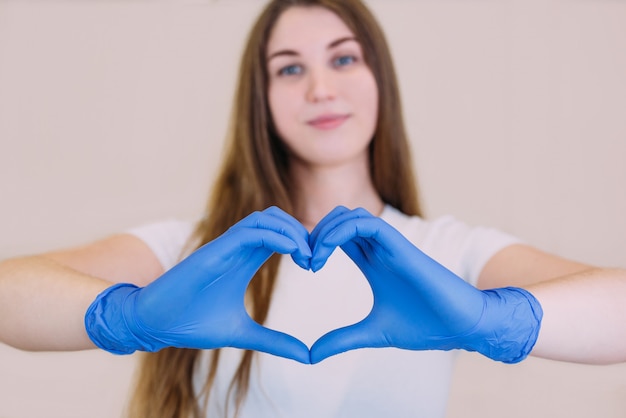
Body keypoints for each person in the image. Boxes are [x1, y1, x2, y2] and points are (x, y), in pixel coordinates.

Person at [0, 0, 625, 417]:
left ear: (380, 77)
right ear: (261, 100)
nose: (321, 87)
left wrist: (502, 321)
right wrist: (126, 318)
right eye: (289, 68)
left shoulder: (448, 252)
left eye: (344, 58)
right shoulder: (191, 251)